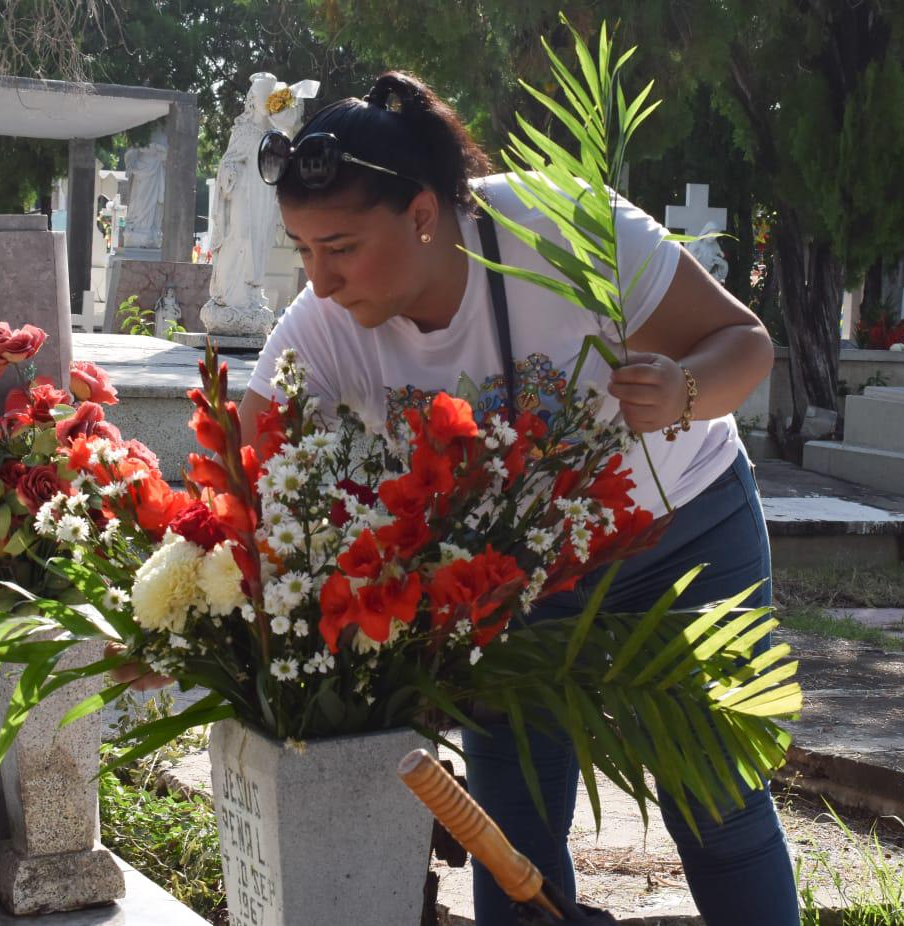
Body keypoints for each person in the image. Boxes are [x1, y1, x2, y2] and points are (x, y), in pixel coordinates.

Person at [234, 71, 795, 925]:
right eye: (303, 250)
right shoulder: (326, 325)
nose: (319, 282)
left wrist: (684, 388)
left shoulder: (563, 230)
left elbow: (745, 346)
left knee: (713, 799)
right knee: (508, 832)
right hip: (513, 587)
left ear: (423, 215)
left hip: (682, 535)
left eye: (340, 248)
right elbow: (249, 459)